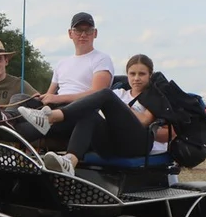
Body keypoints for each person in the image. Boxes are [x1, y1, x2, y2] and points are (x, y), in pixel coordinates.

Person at [15, 54, 170, 174]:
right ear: (127, 74)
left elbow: (144, 121)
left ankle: (51, 117)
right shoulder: (119, 92)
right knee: (89, 114)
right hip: (111, 144)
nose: (136, 78)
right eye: (132, 74)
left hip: (137, 143)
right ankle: (70, 161)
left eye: (141, 74)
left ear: (150, 75)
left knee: (105, 94)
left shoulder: (153, 95)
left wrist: (121, 107)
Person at [0, 13, 115, 143]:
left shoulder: (102, 59)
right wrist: (41, 98)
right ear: (70, 33)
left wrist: (58, 98)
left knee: (42, 120)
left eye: (88, 30)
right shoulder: (62, 63)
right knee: (20, 98)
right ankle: (7, 118)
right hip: (56, 106)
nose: (83, 34)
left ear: (95, 33)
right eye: (78, 30)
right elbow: (49, 95)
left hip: (80, 110)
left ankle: (3, 131)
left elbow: (98, 94)